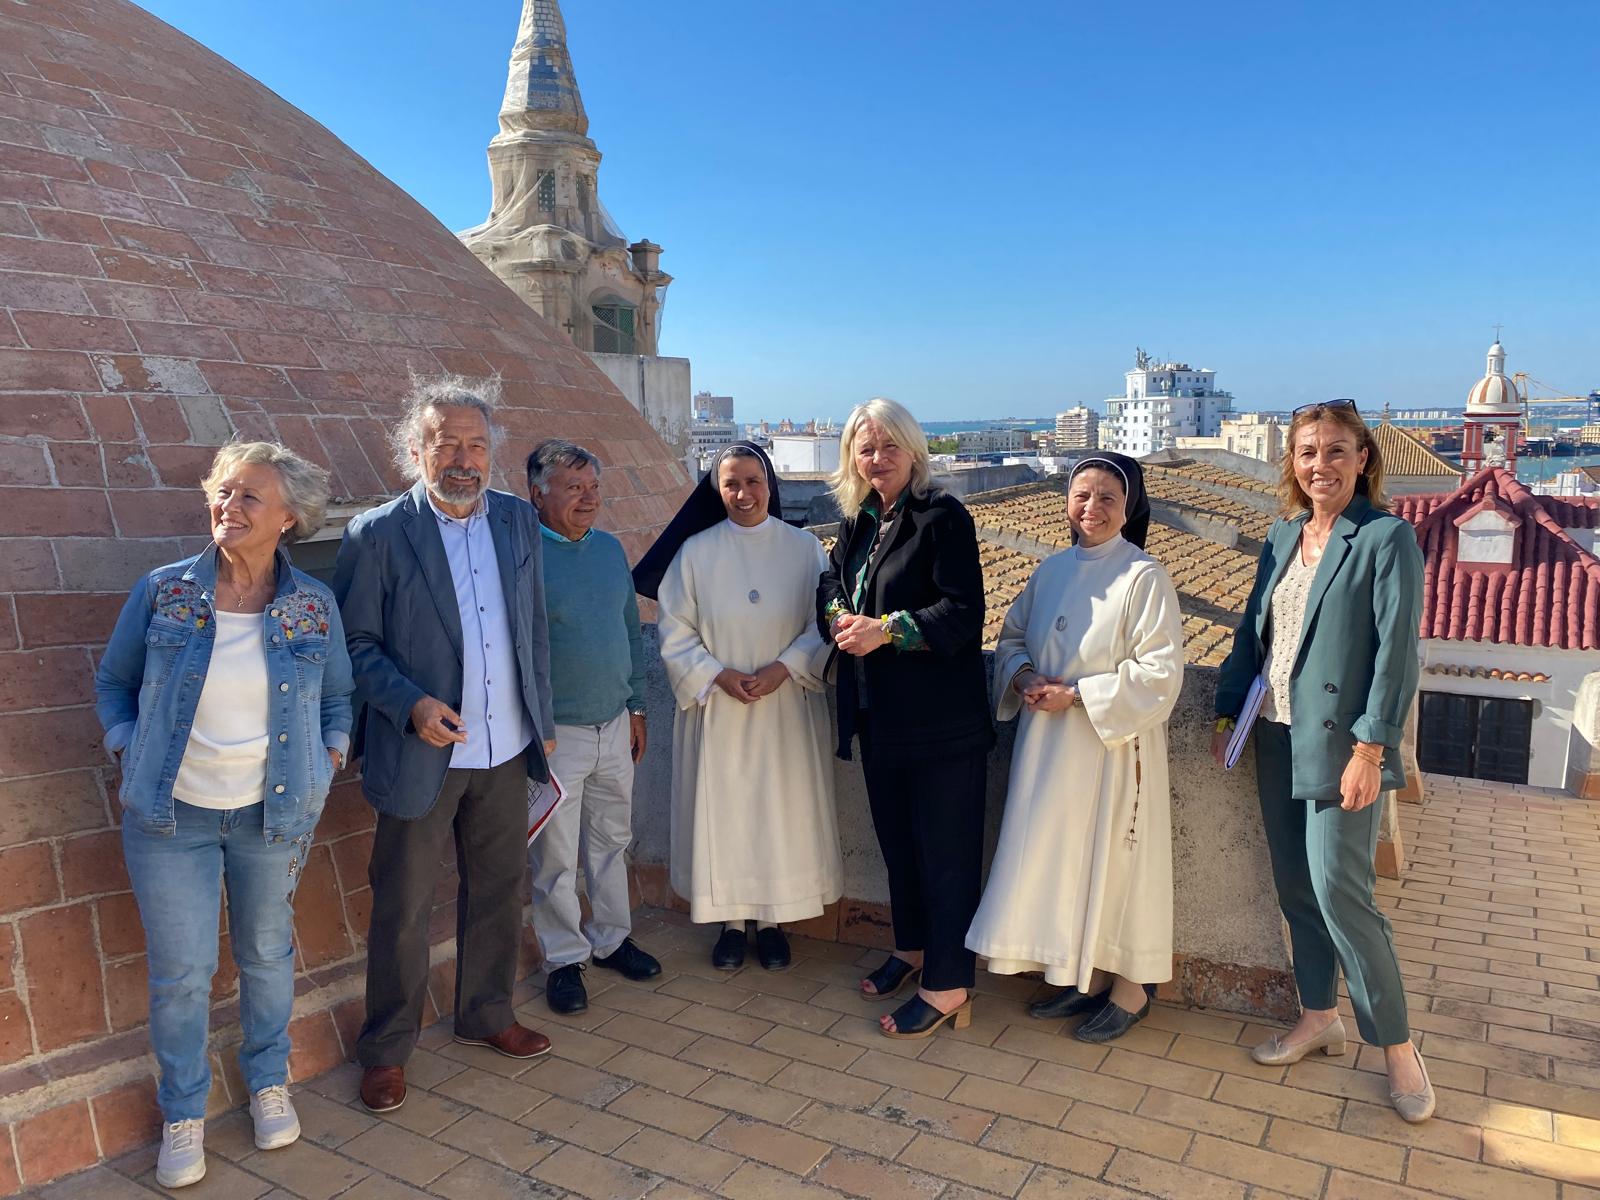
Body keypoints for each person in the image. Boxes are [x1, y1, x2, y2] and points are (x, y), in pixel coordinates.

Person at [94, 442, 353, 1189]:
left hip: (272, 816)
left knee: (268, 954)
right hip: (170, 818)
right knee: (182, 973)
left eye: (248, 498)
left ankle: (269, 1080)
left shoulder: (311, 605)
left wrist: (332, 749)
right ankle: (183, 1113)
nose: (228, 509)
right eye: (223, 493)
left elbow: (338, 696)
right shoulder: (165, 591)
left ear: (289, 519)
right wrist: (124, 744)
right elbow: (114, 682)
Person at [333, 374, 557, 1115]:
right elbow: (354, 645)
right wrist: (411, 704)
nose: (462, 458)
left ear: (491, 450)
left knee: (498, 889)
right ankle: (388, 1050)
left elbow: (531, 628)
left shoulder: (518, 522)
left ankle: (486, 1013)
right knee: (403, 904)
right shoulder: (377, 534)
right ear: (414, 450)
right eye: (444, 443)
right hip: (422, 751)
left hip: (504, 747)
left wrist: (541, 717)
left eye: (474, 444)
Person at [1212, 399, 1432, 1122]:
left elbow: (1397, 655)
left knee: (1345, 895)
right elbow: (1253, 634)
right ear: (1292, 463)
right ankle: (1318, 1016)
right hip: (1274, 734)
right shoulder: (1280, 536)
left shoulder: (1385, 539)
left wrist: (1373, 749)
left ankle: (1398, 1048)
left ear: (1363, 459)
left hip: (1344, 745)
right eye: (1308, 452)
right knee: (1296, 889)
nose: (1320, 466)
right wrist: (1224, 709)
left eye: (1336, 451)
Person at [967, 454, 1184, 1043]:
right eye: (1081, 495)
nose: (1092, 508)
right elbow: (1011, 638)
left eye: (1108, 497)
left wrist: (1081, 695)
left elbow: (1161, 674)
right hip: (1048, 749)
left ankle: (1132, 991)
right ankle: (1077, 973)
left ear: (1130, 507)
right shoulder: (1052, 570)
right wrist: (1023, 677)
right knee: (1061, 863)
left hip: (1112, 752)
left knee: (1121, 868)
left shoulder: (1144, 577)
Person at [816, 398, 993, 1040]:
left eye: (889, 446)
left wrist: (888, 631)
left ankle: (948, 983)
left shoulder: (941, 517)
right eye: (865, 449)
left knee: (946, 856)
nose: (877, 459)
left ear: (914, 451)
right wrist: (839, 618)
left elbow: (962, 615)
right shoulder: (858, 522)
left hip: (940, 725)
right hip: (878, 719)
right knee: (900, 849)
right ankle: (914, 950)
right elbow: (830, 586)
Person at [634, 442, 842, 971]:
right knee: (724, 813)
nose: (743, 493)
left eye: (753, 481)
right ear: (717, 490)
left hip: (785, 707)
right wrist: (717, 675)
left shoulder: (804, 549)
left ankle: (772, 922)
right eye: (731, 484)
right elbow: (674, 629)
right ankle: (730, 923)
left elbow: (824, 625)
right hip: (719, 708)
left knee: (778, 814)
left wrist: (783, 668)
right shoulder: (695, 552)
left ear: (769, 484)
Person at [526, 439, 660, 1014]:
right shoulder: (523, 555)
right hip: (557, 734)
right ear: (538, 493)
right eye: (573, 488)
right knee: (554, 854)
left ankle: (610, 940)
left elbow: (630, 633)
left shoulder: (608, 549)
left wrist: (636, 708)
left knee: (612, 840)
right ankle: (563, 960)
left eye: (594, 488)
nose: (588, 499)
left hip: (613, 725)